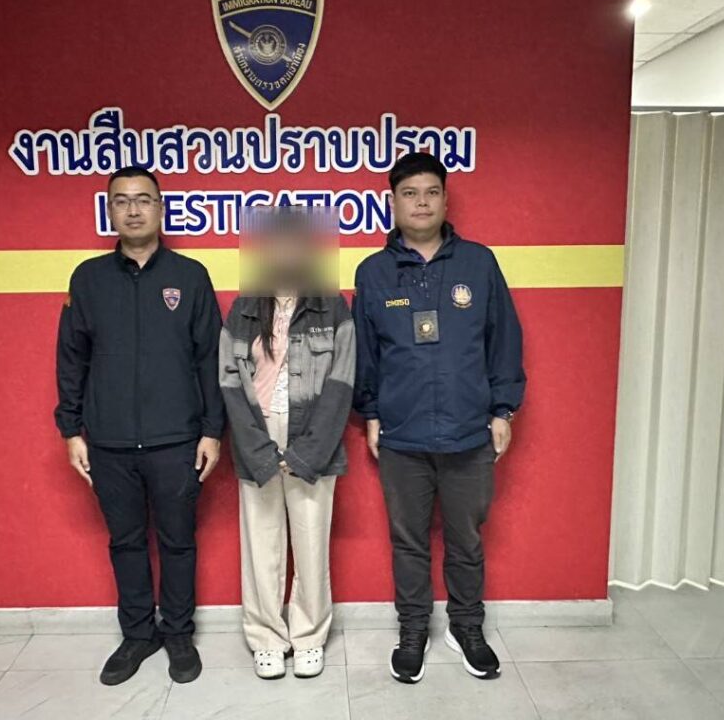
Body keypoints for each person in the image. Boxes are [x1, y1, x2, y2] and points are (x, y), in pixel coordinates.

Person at [352, 152, 526, 684]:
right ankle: (413, 631)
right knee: (407, 541)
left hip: (469, 431)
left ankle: (466, 627)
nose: (421, 202)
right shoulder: (374, 272)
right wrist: (371, 412)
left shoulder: (478, 263)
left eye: (431, 192)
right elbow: (365, 353)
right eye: (410, 193)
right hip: (401, 435)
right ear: (393, 202)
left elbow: (503, 339)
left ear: (446, 200)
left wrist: (502, 409)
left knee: (466, 538)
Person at [54, 165, 224, 686]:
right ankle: (137, 635)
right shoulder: (88, 279)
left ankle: (178, 634)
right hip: (108, 442)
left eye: (143, 200)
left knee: (178, 542)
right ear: (110, 211)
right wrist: (71, 430)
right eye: (122, 201)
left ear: (160, 208)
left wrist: (213, 430)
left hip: (177, 439)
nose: (133, 210)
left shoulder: (190, 276)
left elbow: (211, 358)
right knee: (125, 542)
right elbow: (71, 358)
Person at [220, 210, 355, 680]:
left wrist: (307, 452)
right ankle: (266, 637)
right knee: (261, 544)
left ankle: (309, 635)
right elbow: (229, 383)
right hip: (256, 434)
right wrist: (257, 448)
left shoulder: (332, 307)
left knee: (311, 540)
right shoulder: (243, 309)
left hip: (313, 436)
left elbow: (341, 383)